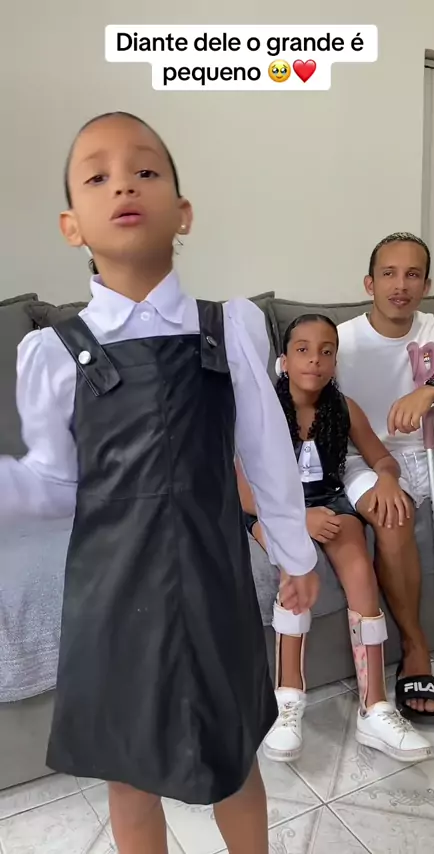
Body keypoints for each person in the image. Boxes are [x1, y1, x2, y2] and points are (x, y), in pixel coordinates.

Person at [0, 112, 321, 854]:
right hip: (110, 599)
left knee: (232, 759)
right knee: (129, 773)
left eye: (145, 171)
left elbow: (266, 453)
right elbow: (53, 483)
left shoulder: (230, 327)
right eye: (97, 176)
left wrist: (294, 553)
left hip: (213, 585)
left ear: (183, 212)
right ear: (72, 226)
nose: (123, 185)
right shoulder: (53, 353)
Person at [236, 313, 433, 764]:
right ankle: (288, 699)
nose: (315, 360)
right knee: (294, 563)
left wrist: (387, 480)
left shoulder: (344, 407)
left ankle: (375, 707)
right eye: (303, 350)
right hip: (272, 507)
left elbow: (382, 459)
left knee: (360, 570)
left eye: (327, 351)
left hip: (329, 500)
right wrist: (298, 519)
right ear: (284, 360)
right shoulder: (259, 410)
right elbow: (245, 492)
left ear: (335, 362)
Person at [336, 232, 434, 726]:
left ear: (427, 284)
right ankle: (416, 652)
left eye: (413, 274)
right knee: (392, 517)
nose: (401, 285)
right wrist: (382, 470)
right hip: (364, 459)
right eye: (389, 274)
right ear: (369, 283)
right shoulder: (343, 340)